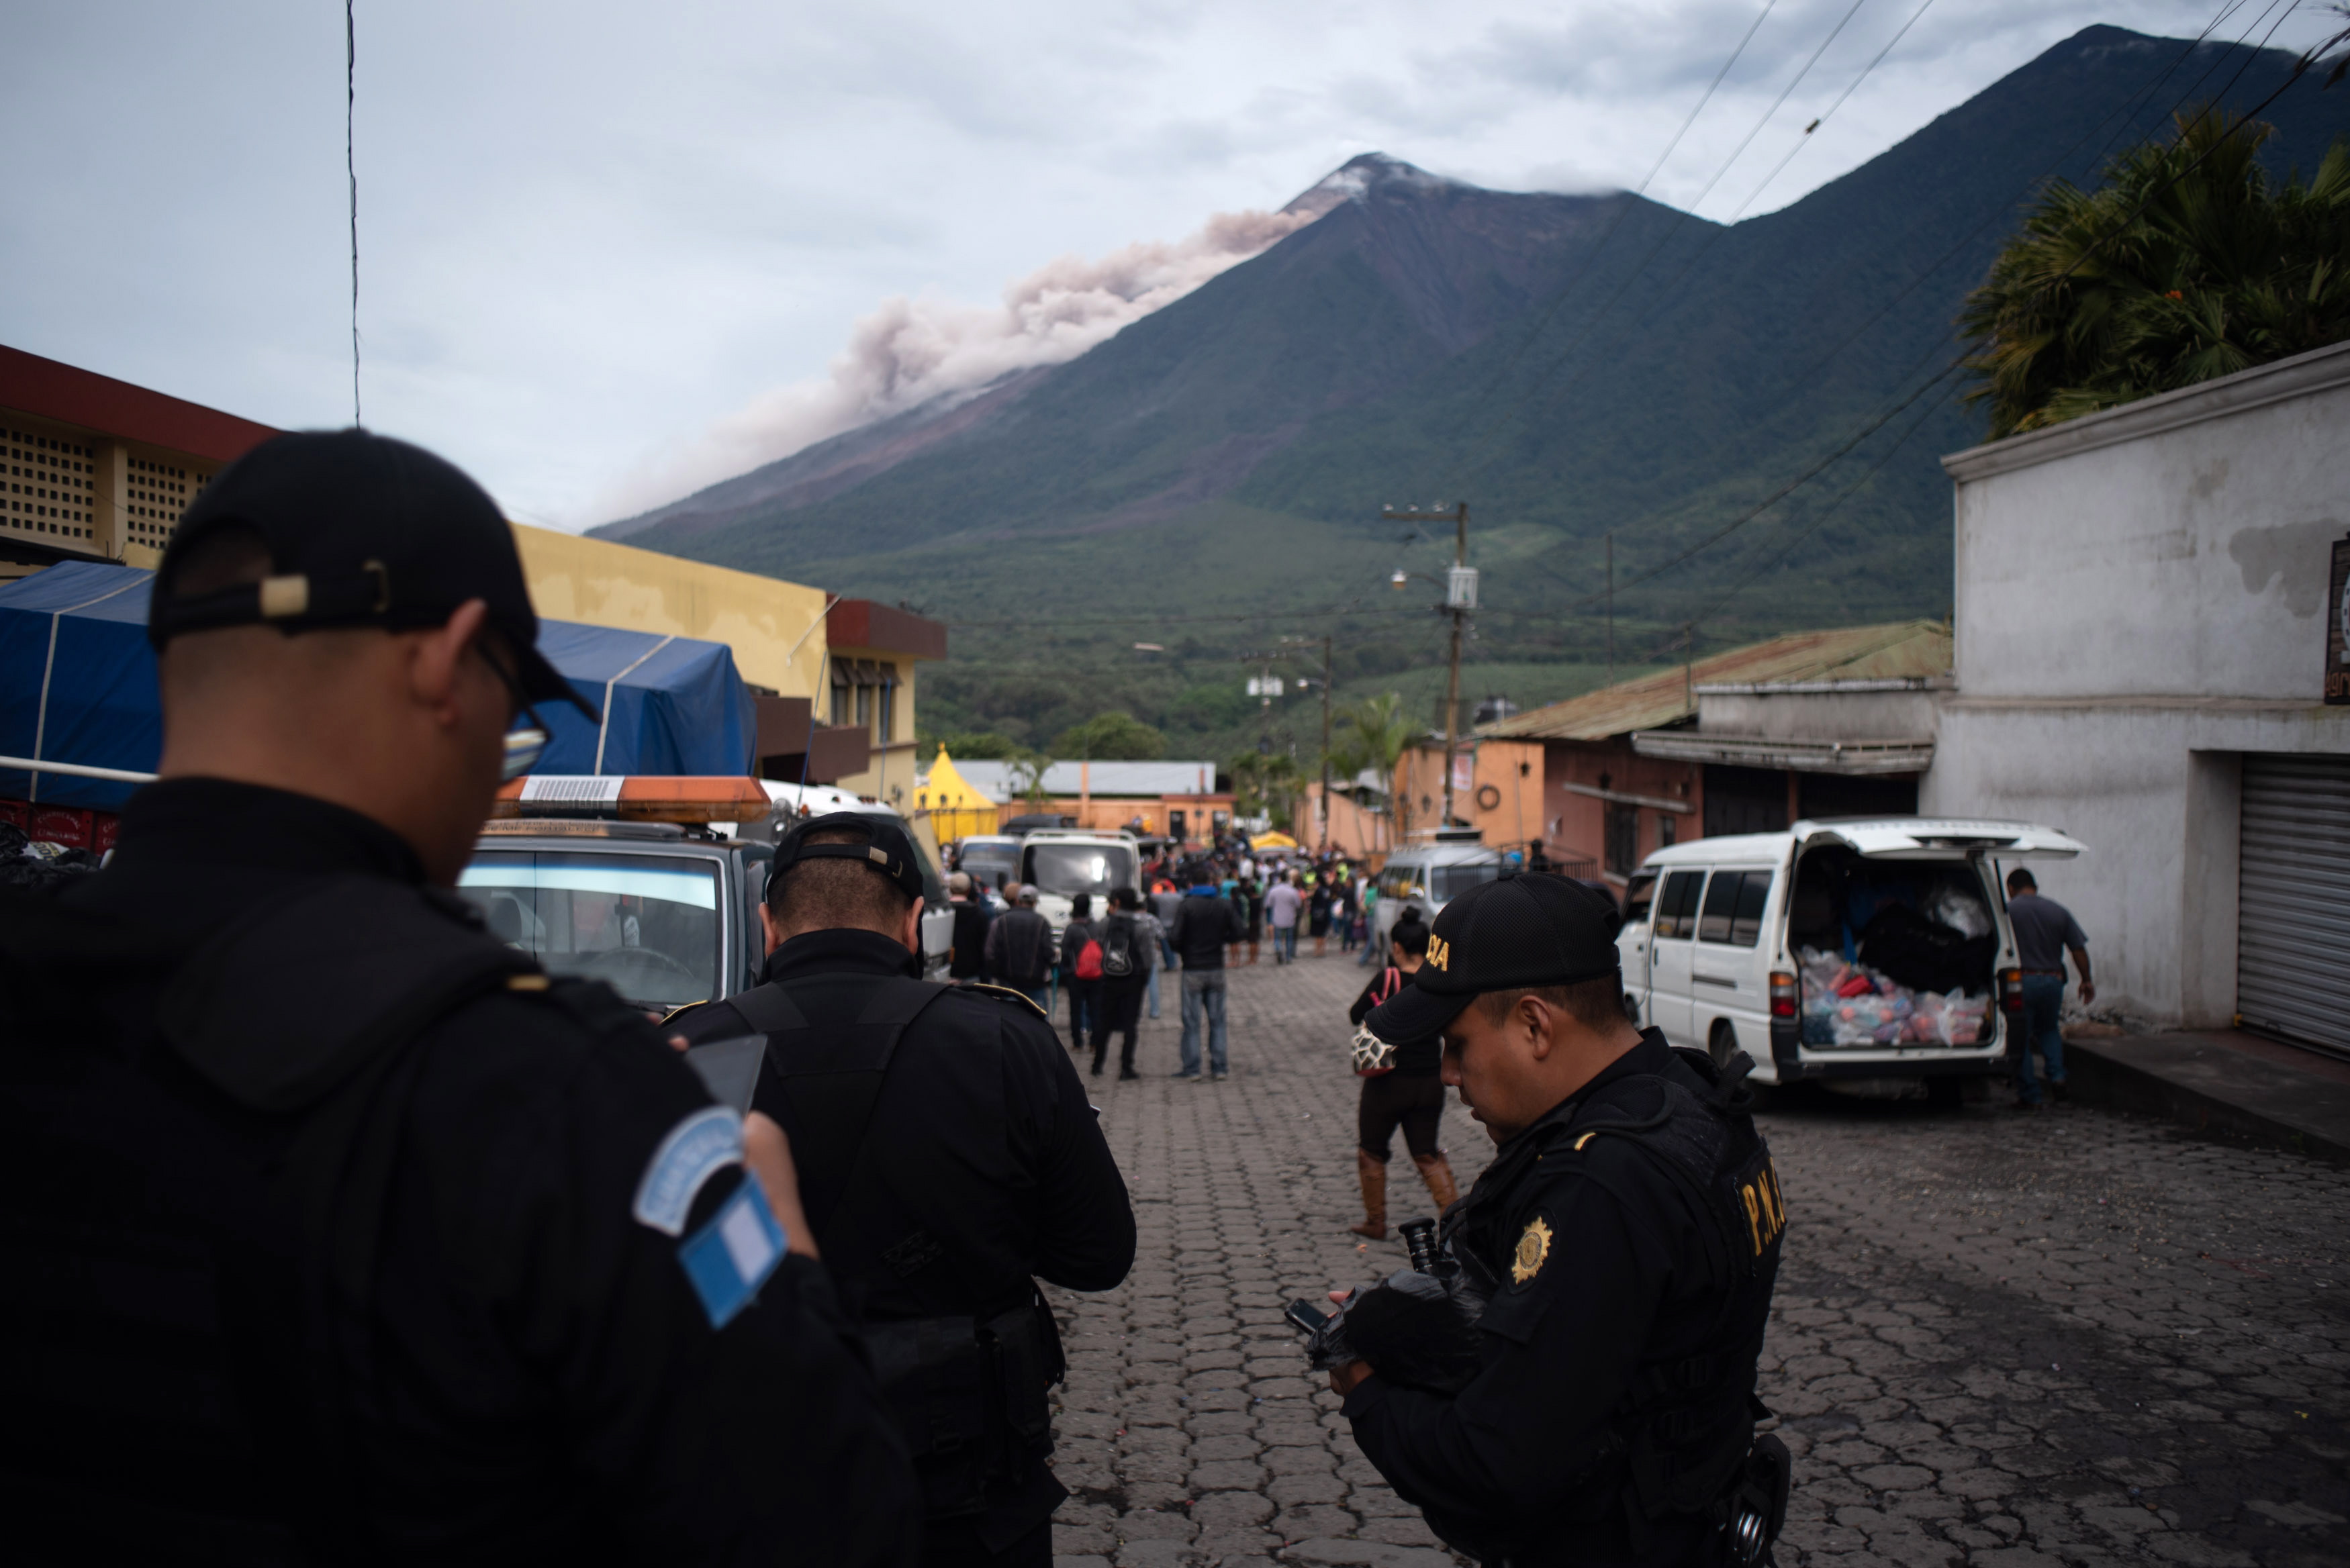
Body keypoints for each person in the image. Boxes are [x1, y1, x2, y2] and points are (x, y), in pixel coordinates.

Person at [0, 430, 916, 1563]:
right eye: (511, 711)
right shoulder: (568, 1100)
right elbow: (832, 1523)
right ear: (447, 661)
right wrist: (773, 1246)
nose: (499, 750)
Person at [669, 813, 1137, 1567]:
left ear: (766, 924)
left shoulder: (689, 1053)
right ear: (916, 923)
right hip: (968, 1487)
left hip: (749, 1482)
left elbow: (637, 1284)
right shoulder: (1006, 1039)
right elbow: (1098, 1253)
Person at [1334, 873, 1788, 1567]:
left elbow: (1497, 1460)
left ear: (1533, 1024)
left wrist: (1363, 1386)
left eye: (1457, 1044)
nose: (1450, 1075)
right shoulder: (1688, 1101)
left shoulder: (1600, 1182)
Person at [1345, 918, 1459, 1239]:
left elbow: (1357, 1015)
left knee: (1372, 1149)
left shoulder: (1388, 978)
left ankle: (1376, 1221)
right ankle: (1455, 1224)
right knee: (1427, 1153)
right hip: (1430, 1081)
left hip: (1388, 1083)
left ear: (1396, 947)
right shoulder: (1438, 982)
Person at [2004, 867, 2094, 1108]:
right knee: (2049, 1030)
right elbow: (2078, 949)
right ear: (2035, 885)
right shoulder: (2058, 911)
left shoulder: (2008, 912)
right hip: (2053, 981)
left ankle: (2031, 1094)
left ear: (2010, 888)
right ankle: (2058, 1078)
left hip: (2022, 983)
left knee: (2020, 1037)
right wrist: (2086, 980)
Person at [1168, 877, 1241, 1080]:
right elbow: (1240, 931)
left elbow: (1174, 938)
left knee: (1191, 1023)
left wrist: (1184, 951)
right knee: (1218, 1021)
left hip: (1192, 969)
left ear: (1192, 885)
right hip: (1216, 967)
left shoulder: (1187, 905)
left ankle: (1193, 1069)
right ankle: (1220, 1068)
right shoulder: (1223, 904)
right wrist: (1221, 941)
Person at [1090, 887, 1150, 1079]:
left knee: (1104, 1022)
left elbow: (1098, 944)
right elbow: (1148, 958)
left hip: (1108, 979)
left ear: (1116, 902)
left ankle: (1097, 1064)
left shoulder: (1105, 923)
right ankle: (1126, 1067)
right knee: (1130, 1025)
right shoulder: (1141, 926)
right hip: (1133, 980)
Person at [984, 885, 1056, 1018]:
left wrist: (999, 973)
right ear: (1034, 902)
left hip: (1009, 983)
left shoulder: (1002, 921)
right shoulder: (1042, 922)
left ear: (1018, 900)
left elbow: (990, 953)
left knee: (1010, 1022)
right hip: (1035, 983)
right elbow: (1049, 953)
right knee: (1038, 1024)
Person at [1060, 892, 1102, 1050]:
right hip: (1096, 974)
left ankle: (1077, 1042)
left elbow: (1065, 951)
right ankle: (1095, 1042)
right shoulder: (1097, 927)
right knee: (1096, 1009)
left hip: (1076, 975)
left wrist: (1067, 968)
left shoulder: (1071, 928)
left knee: (1076, 1010)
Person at [947, 870, 990, 982]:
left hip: (945, 974)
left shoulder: (943, 912)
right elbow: (984, 948)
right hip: (971, 975)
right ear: (968, 890)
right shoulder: (979, 914)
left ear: (950, 889)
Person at [1266, 872, 1303, 964]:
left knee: (1278, 938)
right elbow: (1298, 904)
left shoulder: (1274, 890)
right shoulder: (1292, 891)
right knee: (1289, 939)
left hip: (1277, 918)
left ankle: (1278, 948)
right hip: (1290, 918)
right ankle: (1288, 957)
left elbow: (1268, 904)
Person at [1309, 875, 1335, 958]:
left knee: (1318, 934)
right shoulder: (1327, 890)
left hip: (1318, 915)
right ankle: (1322, 950)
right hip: (1325, 914)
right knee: (1323, 933)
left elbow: (1314, 902)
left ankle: (1318, 951)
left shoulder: (1318, 891)